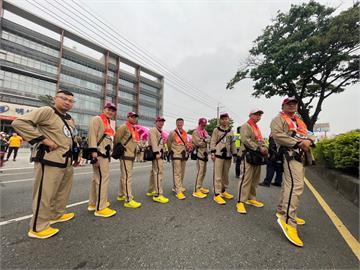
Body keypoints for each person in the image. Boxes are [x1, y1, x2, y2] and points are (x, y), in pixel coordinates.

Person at [12, 90, 76, 239]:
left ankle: (56, 214)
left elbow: (70, 137)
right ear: (55, 99)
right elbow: (19, 123)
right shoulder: (47, 111)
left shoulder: (70, 118)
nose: (67, 102)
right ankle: (38, 227)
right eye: (64, 99)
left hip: (66, 160)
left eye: (71, 101)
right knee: (45, 193)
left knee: (62, 191)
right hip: (49, 159)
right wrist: (43, 140)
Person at [270, 97, 315, 247]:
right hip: (290, 154)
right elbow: (278, 135)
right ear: (283, 105)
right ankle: (288, 220)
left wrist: (309, 141)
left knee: (289, 186)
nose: (292, 105)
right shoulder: (278, 119)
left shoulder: (299, 121)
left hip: (301, 155)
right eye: (288, 103)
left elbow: (310, 134)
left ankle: (282, 211)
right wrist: (299, 142)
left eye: (294, 103)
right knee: (296, 186)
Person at [87, 102, 117, 217]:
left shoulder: (108, 122)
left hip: (103, 153)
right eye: (108, 109)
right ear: (104, 109)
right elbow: (92, 136)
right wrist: (94, 154)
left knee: (96, 179)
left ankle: (93, 203)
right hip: (99, 153)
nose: (110, 112)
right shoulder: (97, 119)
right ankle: (101, 207)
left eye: (113, 110)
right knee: (103, 178)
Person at [236, 109, 268, 214]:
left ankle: (251, 198)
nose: (258, 116)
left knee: (255, 179)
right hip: (248, 155)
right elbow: (246, 140)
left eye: (260, 115)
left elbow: (261, 140)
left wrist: (264, 146)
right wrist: (259, 148)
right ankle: (240, 201)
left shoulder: (256, 127)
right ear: (250, 115)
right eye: (256, 114)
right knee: (245, 178)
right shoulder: (246, 125)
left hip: (256, 156)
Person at [114, 112, 142, 208]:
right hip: (125, 154)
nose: (134, 119)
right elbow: (117, 139)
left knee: (124, 176)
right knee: (127, 177)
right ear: (128, 117)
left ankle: (121, 195)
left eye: (135, 117)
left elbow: (134, 141)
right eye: (132, 117)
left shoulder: (134, 128)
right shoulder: (124, 127)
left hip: (131, 155)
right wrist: (122, 148)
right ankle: (128, 199)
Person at [210, 113, 237, 205]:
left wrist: (235, 155)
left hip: (228, 156)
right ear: (220, 120)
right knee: (217, 175)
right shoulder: (216, 130)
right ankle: (217, 194)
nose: (224, 120)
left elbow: (233, 144)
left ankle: (223, 190)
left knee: (225, 175)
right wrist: (213, 152)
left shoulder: (231, 131)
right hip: (218, 155)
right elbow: (213, 141)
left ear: (229, 120)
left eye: (226, 119)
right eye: (223, 119)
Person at [146, 116, 169, 203]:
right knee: (159, 172)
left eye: (162, 121)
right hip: (157, 154)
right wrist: (156, 153)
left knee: (154, 172)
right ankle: (158, 194)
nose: (161, 123)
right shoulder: (153, 130)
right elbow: (154, 141)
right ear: (156, 122)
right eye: (159, 121)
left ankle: (151, 190)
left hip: (159, 153)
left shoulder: (159, 131)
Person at [167, 118, 192, 200]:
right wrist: (172, 151)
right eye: (178, 122)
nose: (180, 124)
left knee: (182, 172)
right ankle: (178, 191)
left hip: (183, 154)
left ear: (183, 123)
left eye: (181, 122)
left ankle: (178, 186)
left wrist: (188, 148)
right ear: (176, 123)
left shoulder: (185, 132)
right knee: (177, 172)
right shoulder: (172, 132)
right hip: (176, 154)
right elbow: (169, 142)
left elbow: (186, 143)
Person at [191, 118, 211, 199]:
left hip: (205, 153)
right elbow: (198, 143)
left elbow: (210, 139)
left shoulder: (204, 131)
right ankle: (197, 189)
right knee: (200, 171)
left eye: (205, 125)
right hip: (199, 153)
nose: (204, 126)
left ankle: (200, 186)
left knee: (204, 171)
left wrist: (204, 140)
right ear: (199, 124)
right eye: (202, 124)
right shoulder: (196, 132)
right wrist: (205, 140)